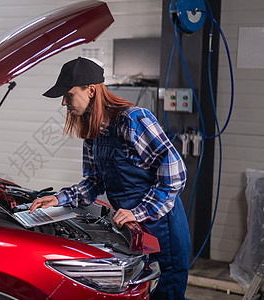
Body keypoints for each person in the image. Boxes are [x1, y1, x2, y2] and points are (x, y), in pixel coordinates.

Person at [29, 57, 191, 299]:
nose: (64, 102)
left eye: (68, 95)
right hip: (129, 227)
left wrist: (139, 212)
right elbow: (94, 182)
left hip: (161, 227)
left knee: (166, 289)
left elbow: (175, 172)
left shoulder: (134, 120)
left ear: (91, 90)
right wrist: (58, 199)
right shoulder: (93, 133)